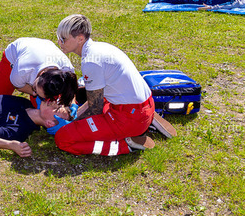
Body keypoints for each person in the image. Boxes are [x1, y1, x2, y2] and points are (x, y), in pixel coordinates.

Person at [51, 14, 175, 156]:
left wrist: (72, 124)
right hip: (143, 105)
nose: (59, 42)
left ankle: (125, 144)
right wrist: (76, 114)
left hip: (129, 117)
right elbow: (96, 98)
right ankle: (148, 120)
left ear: (80, 39)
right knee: (93, 104)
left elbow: (95, 109)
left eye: (63, 39)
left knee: (62, 138)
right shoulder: (102, 47)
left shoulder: (90, 61)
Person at [0, 37, 76, 109]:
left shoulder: (66, 69)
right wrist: (33, 92)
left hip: (45, 50)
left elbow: (71, 90)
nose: (36, 92)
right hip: (16, 54)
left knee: (41, 107)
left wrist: (72, 105)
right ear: (41, 74)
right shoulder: (21, 71)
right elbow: (18, 86)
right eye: (35, 88)